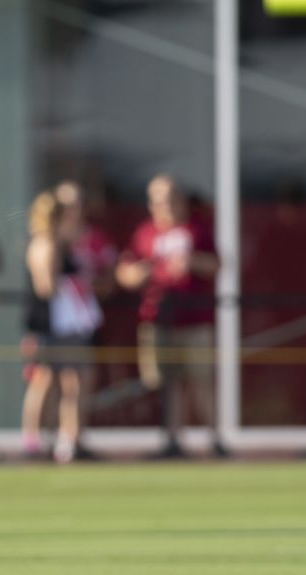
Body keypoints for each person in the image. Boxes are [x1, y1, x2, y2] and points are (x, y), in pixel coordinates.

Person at [116, 174, 228, 459]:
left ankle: (214, 440)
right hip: (158, 319)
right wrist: (137, 274)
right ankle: (172, 441)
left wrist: (191, 262)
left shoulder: (197, 230)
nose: (165, 206)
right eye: (158, 200)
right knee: (167, 383)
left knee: (201, 381)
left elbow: (217, 264)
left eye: (170, 199)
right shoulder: (145, 234)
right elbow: (124, 271)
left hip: (195, 319)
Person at [20, 189, 105, 463]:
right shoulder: (46, 244)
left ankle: (68, 437)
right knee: (46, 380)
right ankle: (34, 439)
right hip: (52, 325)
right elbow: (46, 286)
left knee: (72, 382)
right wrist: (74, 282)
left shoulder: (58, 242)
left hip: (63, 325)